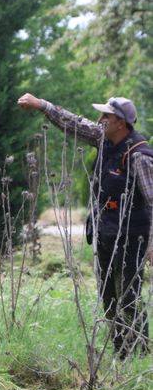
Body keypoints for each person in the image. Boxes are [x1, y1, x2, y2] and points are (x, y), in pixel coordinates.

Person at [18, 93, 152, 358]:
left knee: (128, 297)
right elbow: (73, 123)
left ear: (121, 123)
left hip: (132, 236)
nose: (100, 120)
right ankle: (120, 353)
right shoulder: (104, 139)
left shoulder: (140, 156)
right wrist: (41, 105)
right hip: (106, 232)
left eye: (106, 116)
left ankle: (139, 355)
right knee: (109, 295)